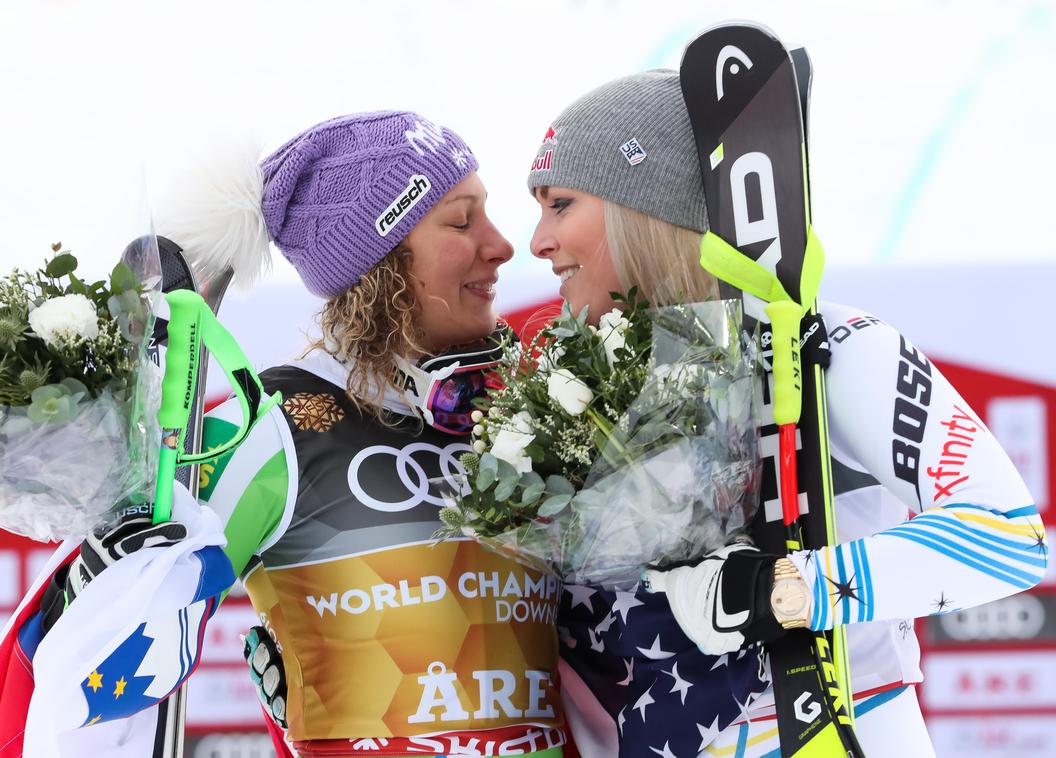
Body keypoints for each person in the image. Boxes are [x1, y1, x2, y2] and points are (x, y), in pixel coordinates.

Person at [525, 70, 1046, 757]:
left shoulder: (831, 348)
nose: (538, 240)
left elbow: (1004, 537)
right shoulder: (567, 396)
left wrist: (783, 591)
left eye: (562, 204)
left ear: (646, 207)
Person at [195, 111, 567, 758]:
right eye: (461, 220)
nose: (502, 244)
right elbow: (118, 618)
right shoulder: (271, 421)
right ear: (380, 263)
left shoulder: (521, 411)